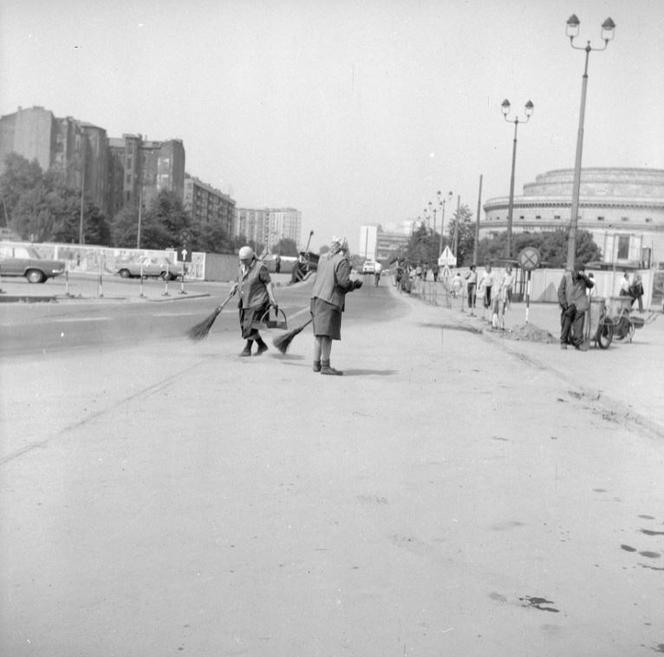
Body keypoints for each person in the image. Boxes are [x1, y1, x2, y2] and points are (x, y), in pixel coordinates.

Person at [310, 236, 362, 375]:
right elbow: (343, 283)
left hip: (315, 298)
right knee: (327, 335)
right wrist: (354, 285)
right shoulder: (342, 261)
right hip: (329, 300)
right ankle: (325, 366)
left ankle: (316, 364)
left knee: (318, 334)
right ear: (344, 247)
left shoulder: (322, 257)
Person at [230, 246, 278, 357]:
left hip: (258, 300)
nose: (243, 262)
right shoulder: (241, 266)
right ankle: (261, 345)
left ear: (251, 258)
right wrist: (235, 286)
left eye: (245, 260)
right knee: (244, 325)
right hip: (245, 300)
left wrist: (272, 297)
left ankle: (247, 349)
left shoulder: (260, 267)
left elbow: (268, 282)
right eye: (241, 260)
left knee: (251, 324)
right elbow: (241, 280)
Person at [557, 261, 594, 351]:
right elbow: (560, 291)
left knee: (579, 325)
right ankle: (563, 342)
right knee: (566, 324)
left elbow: (591, 285)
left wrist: (584, 277)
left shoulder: (584, 279)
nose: (580, 273)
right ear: (574, 270)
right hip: (568, 304)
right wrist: (563, 303)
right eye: (579, 271)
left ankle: (578, 343)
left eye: (582, 271)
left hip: (579, 305)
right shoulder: (566, 276)